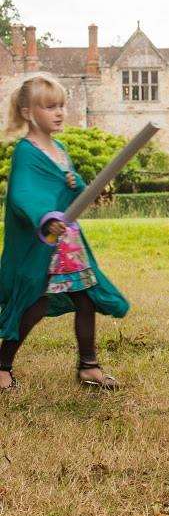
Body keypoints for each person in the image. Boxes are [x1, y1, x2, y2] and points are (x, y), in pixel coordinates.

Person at [0, 75, 129, 391]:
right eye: (50, 107)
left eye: (61, 106)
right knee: (35, 304)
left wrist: (78, 185)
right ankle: (2, 365)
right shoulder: (26, 152)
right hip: (43, 242)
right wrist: (45, 218)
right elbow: (22, 195)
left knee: (85, 299)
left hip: (68, 244)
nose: (59, 112)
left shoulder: (60, 149)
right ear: (29, 112)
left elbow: (75, 197)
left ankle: (89, 366)